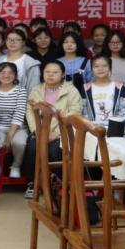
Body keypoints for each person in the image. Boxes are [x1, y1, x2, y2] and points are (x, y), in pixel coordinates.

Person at [23, 60, 82, 198]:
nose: (50, 75)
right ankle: (33, 184)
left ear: (63, 74)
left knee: (55, 150)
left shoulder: (71, 90)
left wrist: (57, 133)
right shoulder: (36, 90)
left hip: (61, 132)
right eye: (47, 72)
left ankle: (60, 185)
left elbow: (75, 112)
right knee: (32, 147)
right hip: (40, 131)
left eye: (55, 72)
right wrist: (38, 130)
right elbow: (30, 111)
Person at [0, 62, 29, 178]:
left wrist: (9, 137)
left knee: (19, 143)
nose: (6, 75)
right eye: (2, 72)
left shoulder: (21, 91)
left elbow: (19, 114)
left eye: (10, 73)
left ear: (16, 75)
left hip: (18, 128)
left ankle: (16, 166)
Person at [81, 55, 125, 124]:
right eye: (96, 66)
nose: (100, 69)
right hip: (93, 128)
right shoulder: (86, 88)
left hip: (115, 127)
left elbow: (124, 110)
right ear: (91, 69)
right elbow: (84, 111)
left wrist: (116, 125)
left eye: (104, 66)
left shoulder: (119, 87)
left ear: (110, 68)